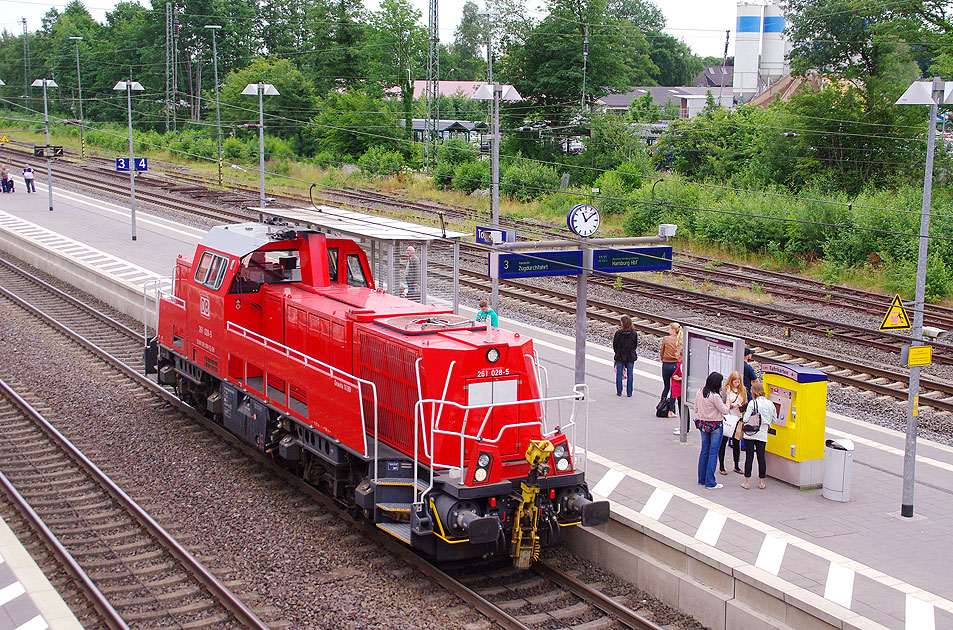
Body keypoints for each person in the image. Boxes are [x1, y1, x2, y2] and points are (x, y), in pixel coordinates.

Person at [694, 371, 729, 489]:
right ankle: (710, 482)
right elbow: (725, 410)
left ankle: (702, 479)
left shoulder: (700, 392)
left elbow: (695, 408)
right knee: (713, 452)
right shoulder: (715, 396)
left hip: (703, 424)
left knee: (704, 451)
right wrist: (728, 398)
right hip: (715, 426)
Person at [741, 380, 776, 489]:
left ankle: (747, 482)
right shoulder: (770, 403)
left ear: (753, 392)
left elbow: (746, 418)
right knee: (761, 457)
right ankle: (762, 482)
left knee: (749, 457)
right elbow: (774, 419)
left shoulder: (752, 403)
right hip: (762, 433)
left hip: (751, 433)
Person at [719, 371, 746, 475]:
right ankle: (721, 466)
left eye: (738, 382)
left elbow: (745, 403)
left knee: (736, 443)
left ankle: (736, 465)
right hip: (728, 418)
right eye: (735, 382)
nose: (737, 384)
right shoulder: (725, 391)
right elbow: (723, 405)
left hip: (738, 419)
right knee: (723, 442)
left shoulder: (743, 390)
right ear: (731, 381)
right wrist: (733, 405)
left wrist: (742, 407)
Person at [612, 315, 638, 397]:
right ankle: (629, 393)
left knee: (619, 373)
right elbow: (635, 345)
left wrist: (617, 352)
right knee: (630, 374)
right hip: (630, 355)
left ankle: (619, 391)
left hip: (620, 355)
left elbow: (615, 345)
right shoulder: (634, 333)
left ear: (622, 323)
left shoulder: (618, 333)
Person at [659, 322, 682, 411]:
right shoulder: (680, 340)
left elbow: (662, 352)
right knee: (673, 387)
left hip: (666, 364)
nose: (669, 330)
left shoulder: (666, 339)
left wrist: (664, 359)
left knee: (666, 386)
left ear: (673, 330)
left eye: (669, 329)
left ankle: (661, 406)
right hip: (675, 365)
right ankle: (671, 410)